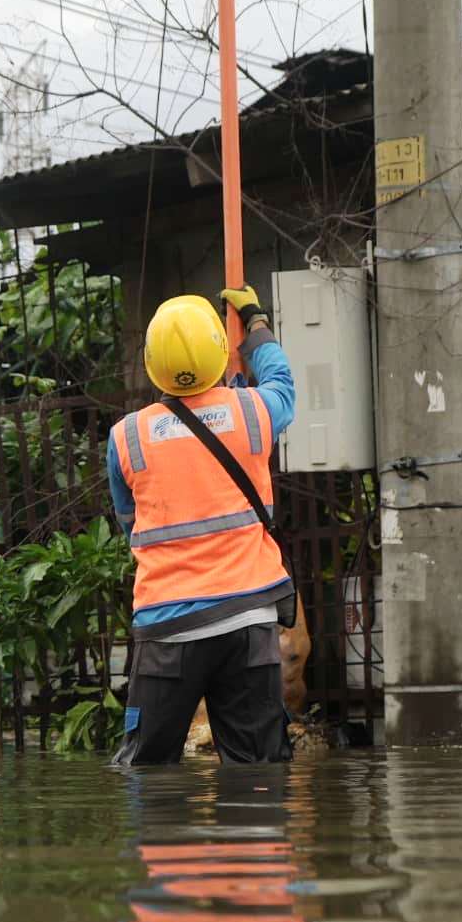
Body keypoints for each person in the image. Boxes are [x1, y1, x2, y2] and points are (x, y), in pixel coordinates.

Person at [108, 286, 297, 766]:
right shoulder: (252, 411)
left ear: (152, 362)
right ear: (218, 349)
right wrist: (256, 323)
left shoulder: (127, 437)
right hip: (248, 620)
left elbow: (130, 523)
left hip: (167, 627)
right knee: (258, 770)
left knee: (147, 770)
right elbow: (282, 381)